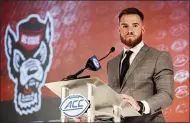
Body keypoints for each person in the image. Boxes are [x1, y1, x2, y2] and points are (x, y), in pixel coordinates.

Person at [107, 7, 174, 122]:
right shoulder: (111, 63)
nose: (130, 30)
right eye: (125, 26)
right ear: (119, 30)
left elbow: (167, 94)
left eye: (135, 25)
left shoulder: (159, 56)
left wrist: (140, 106)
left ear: (142, 29)